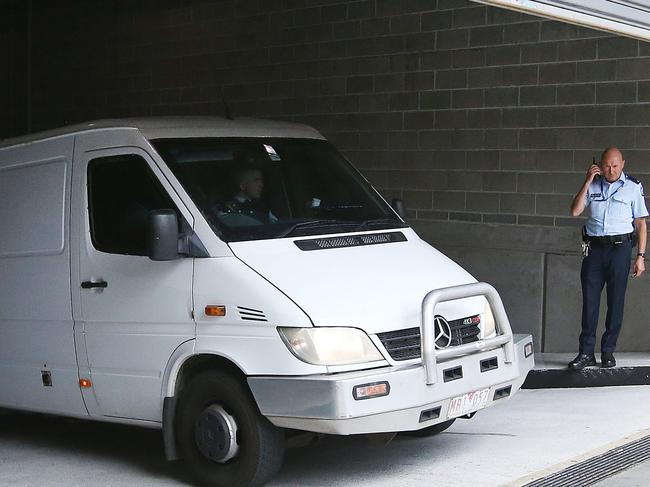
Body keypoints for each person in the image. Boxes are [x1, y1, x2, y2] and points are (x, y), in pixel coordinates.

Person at [568, 147, 648, 370]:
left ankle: (608, 351)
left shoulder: (633, 187)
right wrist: (586, 181)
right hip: (594, 250)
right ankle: (586, 353)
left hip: (620, 250)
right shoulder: (592, 184)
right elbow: (574, 211)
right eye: (606, 166)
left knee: (616, 302)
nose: (610, 170)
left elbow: (641, 224)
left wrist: (641, 256)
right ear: (599, 165)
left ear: (623, 163)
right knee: (590, 302)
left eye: (615, 165)